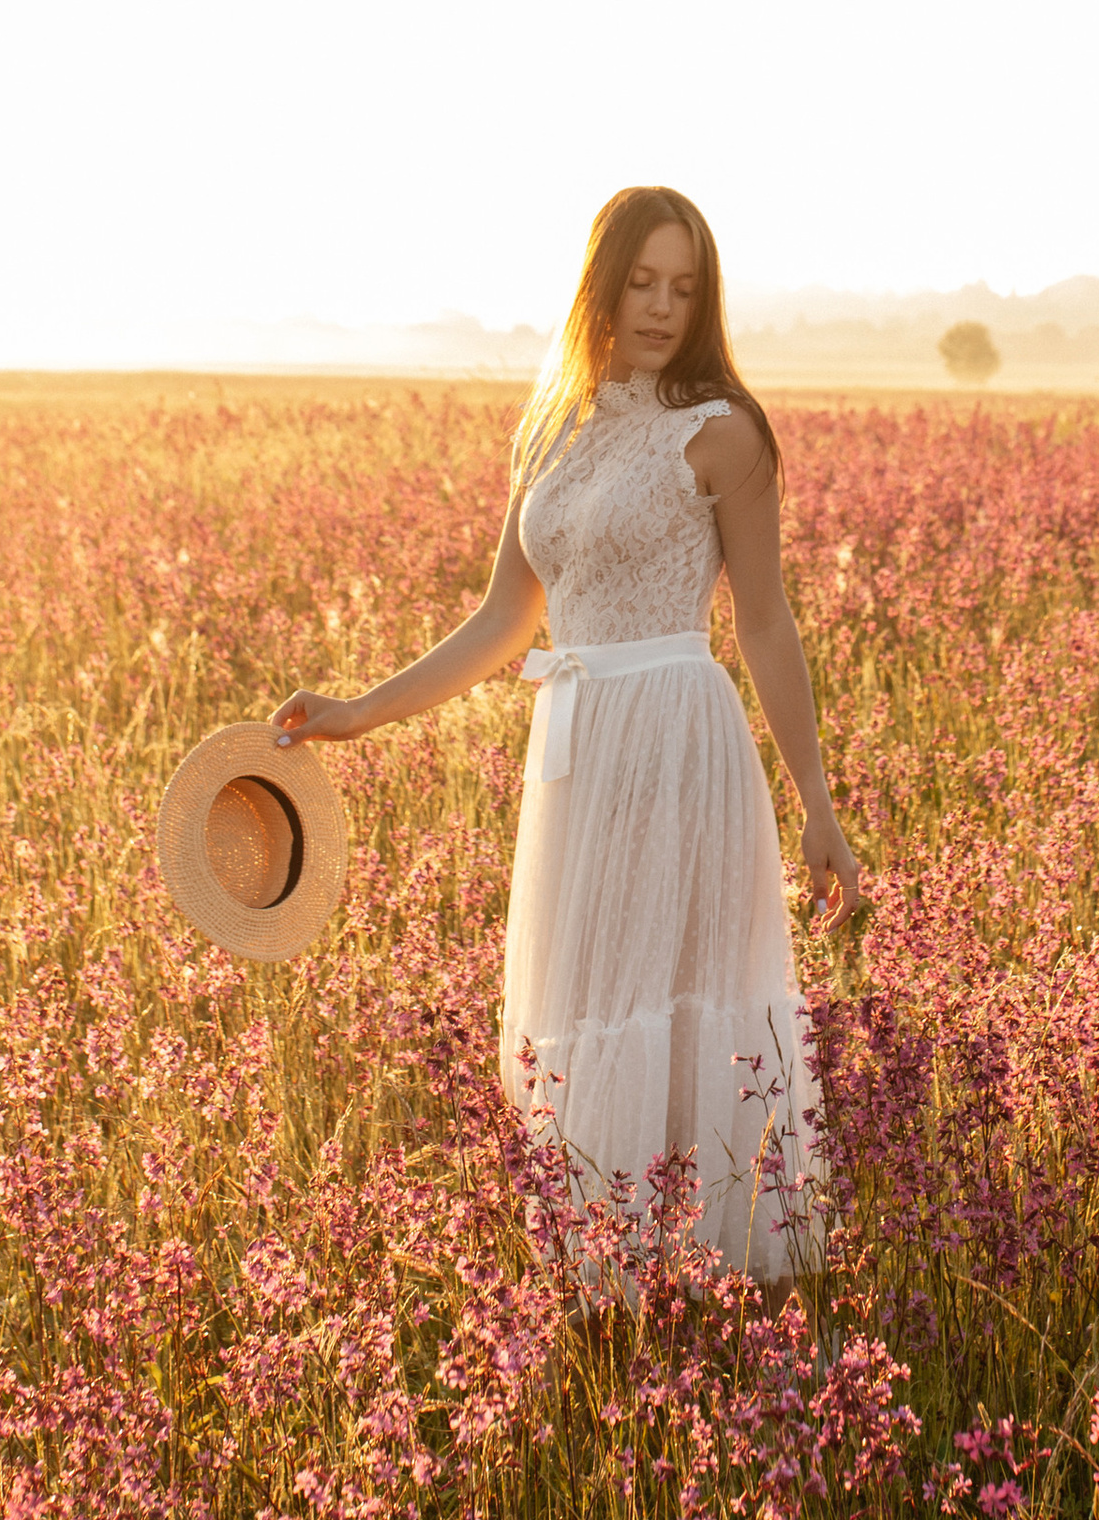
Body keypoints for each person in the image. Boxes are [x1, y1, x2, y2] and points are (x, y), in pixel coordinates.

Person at [272, 185, 861, 1281]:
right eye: (641, 281)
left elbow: (767, 625)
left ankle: (710, 1287)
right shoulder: (555, 431)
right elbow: (503, 620)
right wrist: (361, 710)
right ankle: (612, 1284)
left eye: (684, 289)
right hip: (580, 749)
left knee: (669, 998)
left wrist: (817, 811)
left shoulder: (722, 435)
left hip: (678, 734)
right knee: (588, 1003)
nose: (661, 307)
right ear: (601, 282)